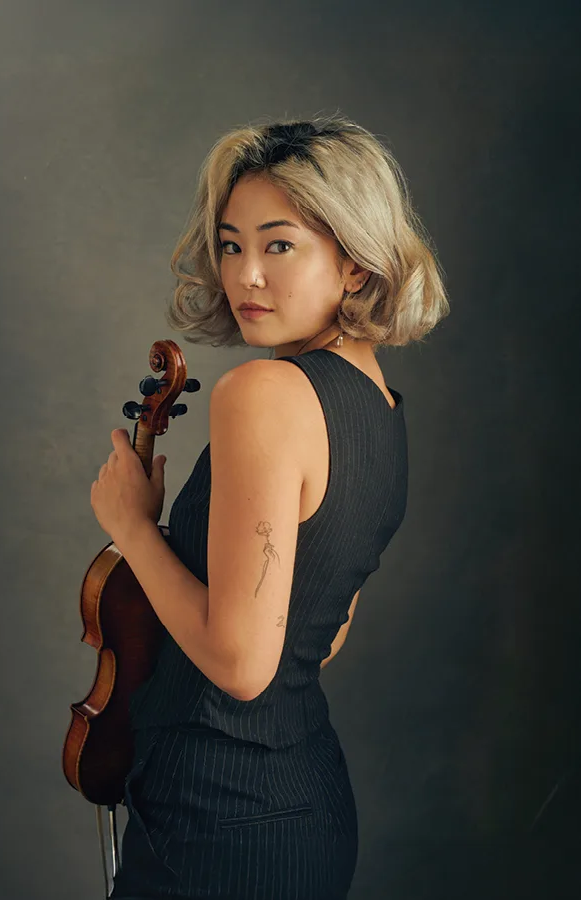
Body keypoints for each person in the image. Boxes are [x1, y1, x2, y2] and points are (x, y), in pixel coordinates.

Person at [109, 114, 449, 899]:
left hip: (217, 824)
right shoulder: (381, 408)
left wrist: (132, 524)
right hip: (299, 810)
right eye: (231, 245)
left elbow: (241, 665)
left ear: (357, 265)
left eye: (279, 244)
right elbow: (316, 641)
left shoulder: (264, 394)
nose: (246, 275)